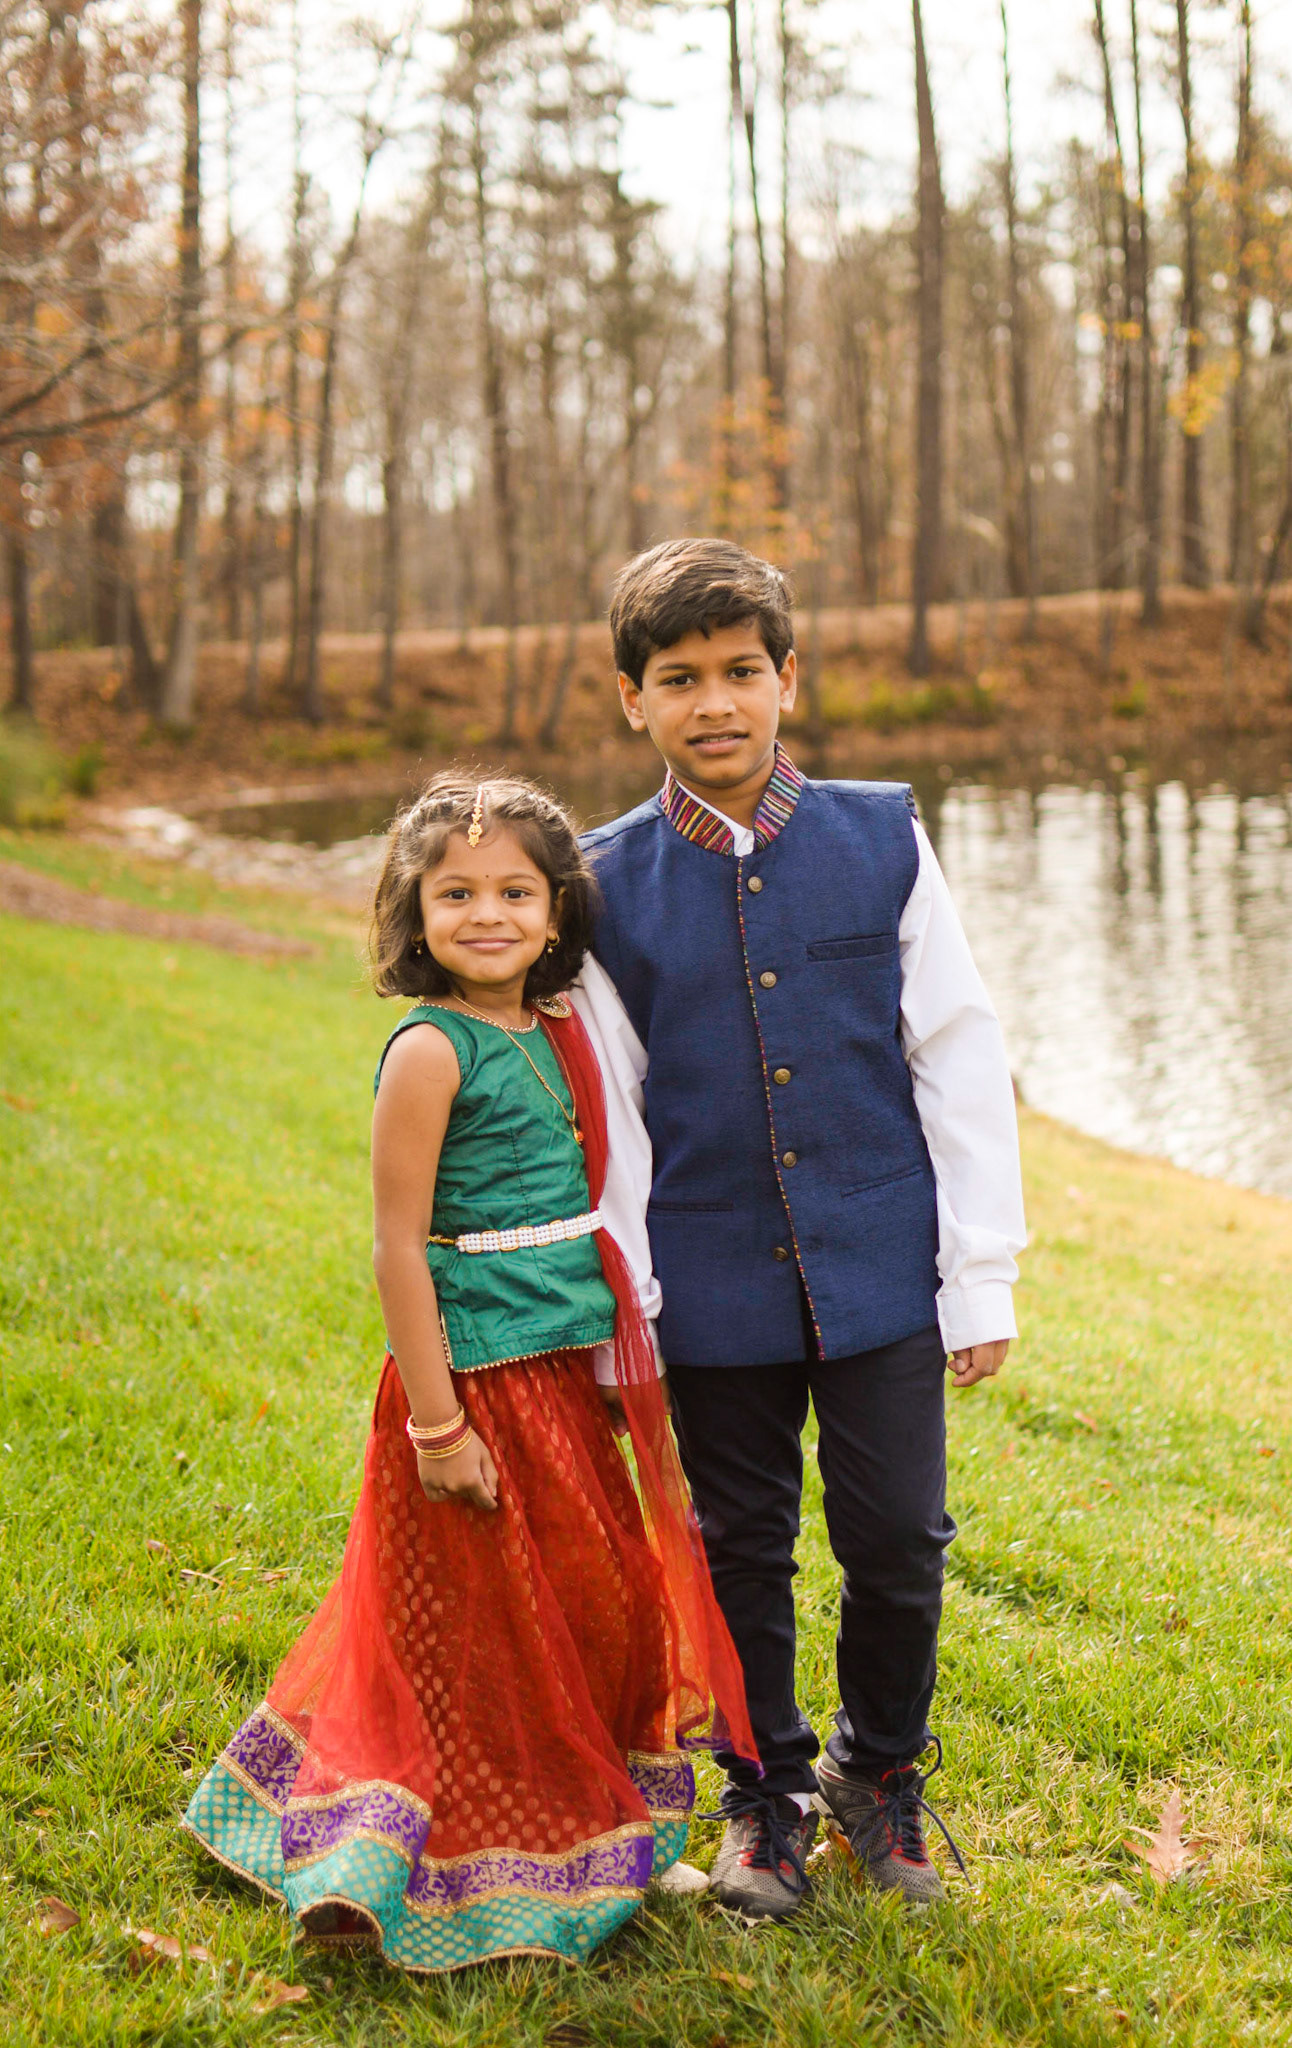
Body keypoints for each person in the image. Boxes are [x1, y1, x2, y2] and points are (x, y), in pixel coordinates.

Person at [183, 771, 754, 1974]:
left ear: (556, 913)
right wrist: (438, 1427)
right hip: (473, 1384)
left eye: (513, 892)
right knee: (487, 1625)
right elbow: (397, 1246)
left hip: (562, 1375)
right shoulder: (429, 1049)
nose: (486, 914)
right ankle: (441, 1842)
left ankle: (600, 1806)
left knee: (593, 1599)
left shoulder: (555, 1029)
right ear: (415, 909)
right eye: (456, 893)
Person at [571, 537, 1027, 1921]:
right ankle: (763, 1790)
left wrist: (980, 1275)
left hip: (880, 1262)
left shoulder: (882, 838)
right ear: (633, 700)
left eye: (740, 671)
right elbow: (613, 1112)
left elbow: (955, 1050)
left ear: (788, 678)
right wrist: (628, 1298)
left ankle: (875, 1770)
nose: (714, 702)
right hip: (705, 1277)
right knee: (738, 1546)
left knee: (897, 1536)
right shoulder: (602, 881)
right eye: (678, 678)